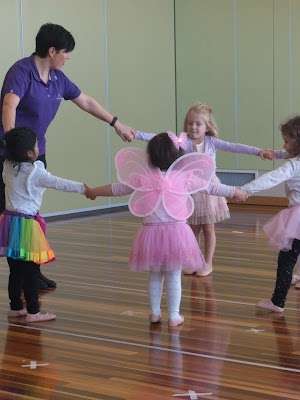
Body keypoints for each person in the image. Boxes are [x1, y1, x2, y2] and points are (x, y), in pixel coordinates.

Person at [0, 22, 135, 289]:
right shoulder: (21, 71)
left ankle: (33, 273)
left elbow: (85, 101)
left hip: (36, 154)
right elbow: (9, 105)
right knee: (16, 216)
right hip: (12, 156)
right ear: (52, 51)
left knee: (32, 213)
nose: (68, 57)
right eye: (65, 52)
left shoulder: (58, 79)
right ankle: (22, 279)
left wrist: (115, 123)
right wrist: (14, 147)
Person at [85, 132, 244, 326]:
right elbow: (210, 187)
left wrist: (93, 192)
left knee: (155, 275)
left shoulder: (143, 177)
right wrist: (234, 192)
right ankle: (174, 316)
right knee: (174, 275)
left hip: (150, 234)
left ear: (150, 156)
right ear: (177, 155)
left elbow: (116, 188)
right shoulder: (184, 177)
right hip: (176, 233)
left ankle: (154, 313)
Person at [134, 102, 271, 275]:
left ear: (207, 127)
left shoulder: (211, 142)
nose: (193, 127)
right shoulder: (181, 141)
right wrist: (137, 134)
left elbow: (234, 147)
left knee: (208, 228)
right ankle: (193, 261)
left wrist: (258, 151)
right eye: (190, 123)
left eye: (198, 124)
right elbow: (157, 138)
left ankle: (208, 262)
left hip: (210, 189)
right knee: (193, 228)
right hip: (190, 189)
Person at [0, 127, 88, 322]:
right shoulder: (35, 173)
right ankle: (33, 311)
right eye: (36, 145)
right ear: (30, 152)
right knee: (31, 270)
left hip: (9, 221)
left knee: (15, 268)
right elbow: (60, 183)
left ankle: (16, 307)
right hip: (26, 226)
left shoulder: (7, 165)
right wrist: (84, 189)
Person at [240, 115, 300, 312]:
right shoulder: (293, 158)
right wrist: (275, 154)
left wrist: (246, 190)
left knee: (286, 259)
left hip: (297, 218)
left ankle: (277, 302)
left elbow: (271, 178)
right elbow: (288, 153)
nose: (284, 144)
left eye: (286, 141)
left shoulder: (294, 165)